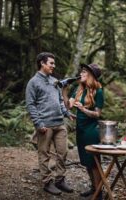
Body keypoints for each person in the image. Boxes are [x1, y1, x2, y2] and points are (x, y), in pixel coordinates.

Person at [25, 52, 73, 196]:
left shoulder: (55, 81)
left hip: (59, 123)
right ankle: (47, 182)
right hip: (44, 125)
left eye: (53, 63)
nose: (54, 65)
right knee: (44, 154)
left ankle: (59, 180)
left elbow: (59, 100)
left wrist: (66, 113)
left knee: (63, 152)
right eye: (51, 63)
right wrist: (38, 123)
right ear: (42, 63)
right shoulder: (33, 82)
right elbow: (30, 104)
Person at [64, 63, 104, 199]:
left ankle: (99, 192)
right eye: (81, 72)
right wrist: (64, 90)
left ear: (91, 75)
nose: (81, 74)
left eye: (84, 72)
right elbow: (68, 106)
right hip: (80, 130)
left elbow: (97, 114)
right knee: (86, 162)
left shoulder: (99, 91)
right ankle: (94, 188)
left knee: (94, 163)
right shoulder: (78, 89)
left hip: (92, 130)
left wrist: (83, 109)